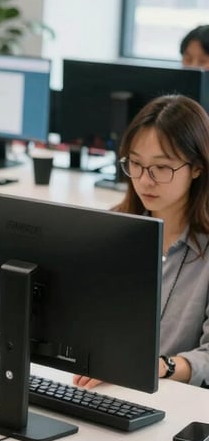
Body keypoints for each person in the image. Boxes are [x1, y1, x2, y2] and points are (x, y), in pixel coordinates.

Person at [75, 95, 209, 389]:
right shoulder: (113, 231)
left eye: (161, 168)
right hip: (105, 385)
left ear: (197, 167)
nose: (145, 180)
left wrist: (162, 366)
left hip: (177, 398)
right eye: (135, 164)